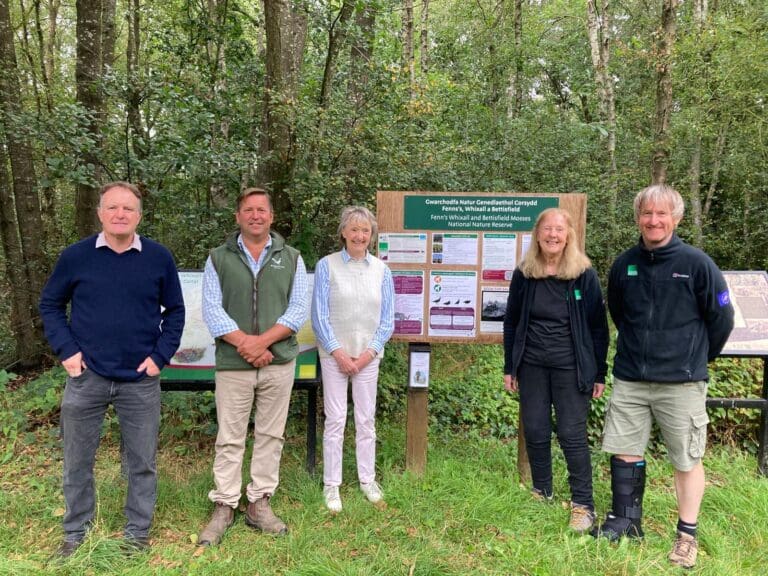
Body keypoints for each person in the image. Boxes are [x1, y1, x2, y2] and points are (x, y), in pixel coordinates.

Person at [591, 184, 734, 569]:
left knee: (686, 460)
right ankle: (625, 521)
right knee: (625, 450)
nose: (653, 221)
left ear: (677, 218)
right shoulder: (624, 265)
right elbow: (619, 314)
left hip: (682, 383)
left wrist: (694, 358)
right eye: (647, 213)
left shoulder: (698, 264)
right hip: (631, 379)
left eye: (662, 214)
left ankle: (686, 535)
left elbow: (722, 320)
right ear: (638, 217)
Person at [39, 181, 185, 558]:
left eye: (129, 209)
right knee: (77, 460)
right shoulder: (75, 257)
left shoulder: (158, 258)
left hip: (140, 379)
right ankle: (75, 533)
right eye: (113, 208)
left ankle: (137, 533)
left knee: (142, 462)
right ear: (100, 213)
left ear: (139, 215)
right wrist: (67, 351)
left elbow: (176, 312)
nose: (121, 215)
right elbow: (51, 305)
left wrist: (160, 357)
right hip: (87, 377)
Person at [198, 187, 308, 545]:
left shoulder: (292, 258)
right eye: (248, 210)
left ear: (271, 216)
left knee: (270, 435)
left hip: (277, 362)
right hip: (234, 362)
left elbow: (297, 310)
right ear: (238, 216)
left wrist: (262, 343)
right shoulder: (217, 258)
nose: (255, 215)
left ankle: (259, 503)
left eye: (262, 210)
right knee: (229, 437)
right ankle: (225, 505)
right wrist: (246, 344)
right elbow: (213, 310)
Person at [503, 207, 608, 533]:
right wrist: (510, 365)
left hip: (571, 366)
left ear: (568, 236)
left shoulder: (583, 274)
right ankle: (542, 490)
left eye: (559, 230)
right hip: (532, 364)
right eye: (547, 229)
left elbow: (598, 327)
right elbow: (512, 321)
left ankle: (583, 504)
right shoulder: (525, 273)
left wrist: (600, 372)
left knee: (571, 434)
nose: (552, 235)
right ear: (537, 234)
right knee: (534, 429)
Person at [311, 206, 395, 513]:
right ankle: (331, 485)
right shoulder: (327, 266)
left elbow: (387, 320)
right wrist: (339, 352)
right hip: (334, 355)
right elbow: (319, 315)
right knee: (335, 420)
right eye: (354, 230)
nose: (360, 236)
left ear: (371, 236)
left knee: (365, 419)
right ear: (343, 232)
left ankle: (367, 479)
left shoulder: (382, 271)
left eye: (366, 231)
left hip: (368, 356)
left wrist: (367, 354)